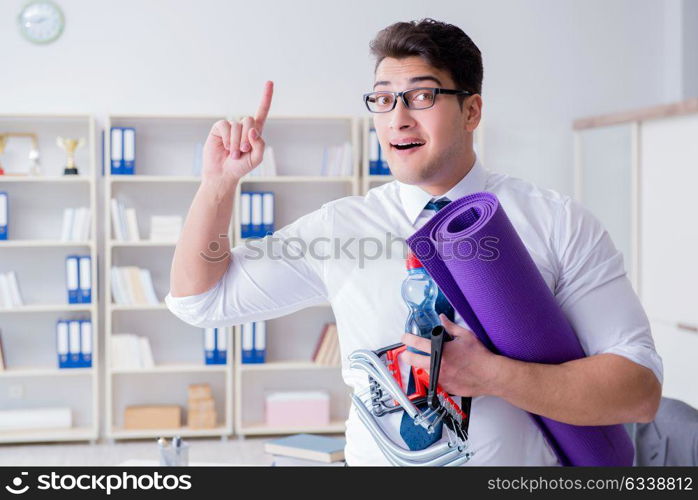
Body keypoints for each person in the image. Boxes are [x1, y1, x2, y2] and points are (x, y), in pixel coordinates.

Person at [166, 18, 662, 466]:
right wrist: (218, 185)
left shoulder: (557, 223)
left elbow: (638, 391)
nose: (398, 118)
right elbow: (200, 300)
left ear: (472, 111)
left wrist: (494, 376)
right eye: (383, 98)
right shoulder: (339, 229)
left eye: (422, 96)